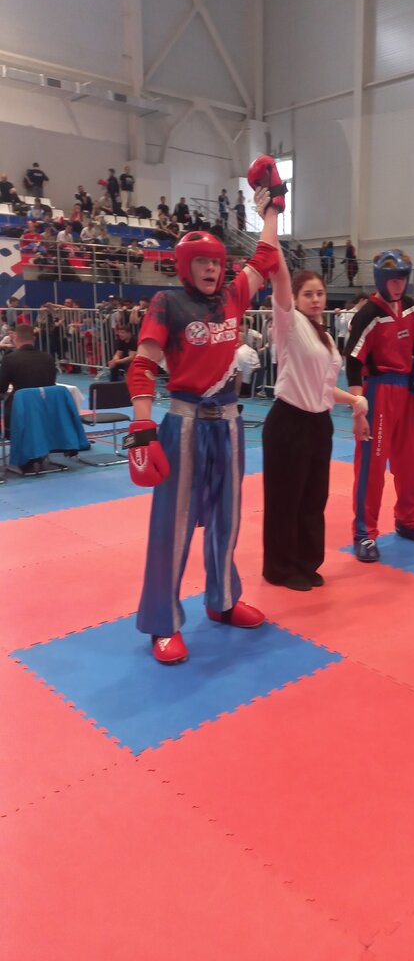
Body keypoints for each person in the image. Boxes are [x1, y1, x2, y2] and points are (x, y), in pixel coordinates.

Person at [124, 186, 281, 665]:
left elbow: (266, 257)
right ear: (184, 266)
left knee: (226, 520)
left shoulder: (233, 296)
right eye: (202, 262)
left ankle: (223, 600)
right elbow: (142, 365)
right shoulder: (166, 303)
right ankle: (162, 622)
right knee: (172, 526)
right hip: (185, 423)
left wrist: (273, 206)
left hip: (229, 424)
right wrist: (143, 429)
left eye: (216, 261)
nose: (212, 269)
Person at [250, 171, 369, 591]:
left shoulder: (326, 338)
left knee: (313, 499)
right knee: (285, 499)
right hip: (289, 423)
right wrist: (272, 214)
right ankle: (281, 568)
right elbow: (278, 272)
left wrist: (354, 402)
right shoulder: (288, 323)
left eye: (320, 294)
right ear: (296, 299)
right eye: (308, 294)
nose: (316, 299)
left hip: (318, 424)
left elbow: (322, 389)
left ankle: (306, 562)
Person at [345, 250, 414, 561]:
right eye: (393, 280)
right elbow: (352, 361)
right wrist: (357, 407)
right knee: (372, 467)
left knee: (410, 463)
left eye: (402, 279)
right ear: (381, 279)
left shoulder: (410, 306)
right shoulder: (368, 314)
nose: (398, 285)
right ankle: (364, 533)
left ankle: (408, 520)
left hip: (407, 393)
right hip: (378, 393)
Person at [0, 323, 56, 435]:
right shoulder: (48, 358)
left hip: (20, 412)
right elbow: (51, 383)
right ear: (34, 339)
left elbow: (2, 388)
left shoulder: (9, 359)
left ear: (15, 338)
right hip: (46, 409)